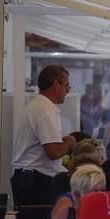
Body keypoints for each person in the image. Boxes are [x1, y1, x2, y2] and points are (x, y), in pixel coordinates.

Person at [11, 65, 76, 207]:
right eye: (67, 86)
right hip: (35, 181)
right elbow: (53, 152)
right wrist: (70, 142)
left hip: (31, 178)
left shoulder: (40, 106)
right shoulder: (44, 109)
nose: (67, 91)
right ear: (56, 85)